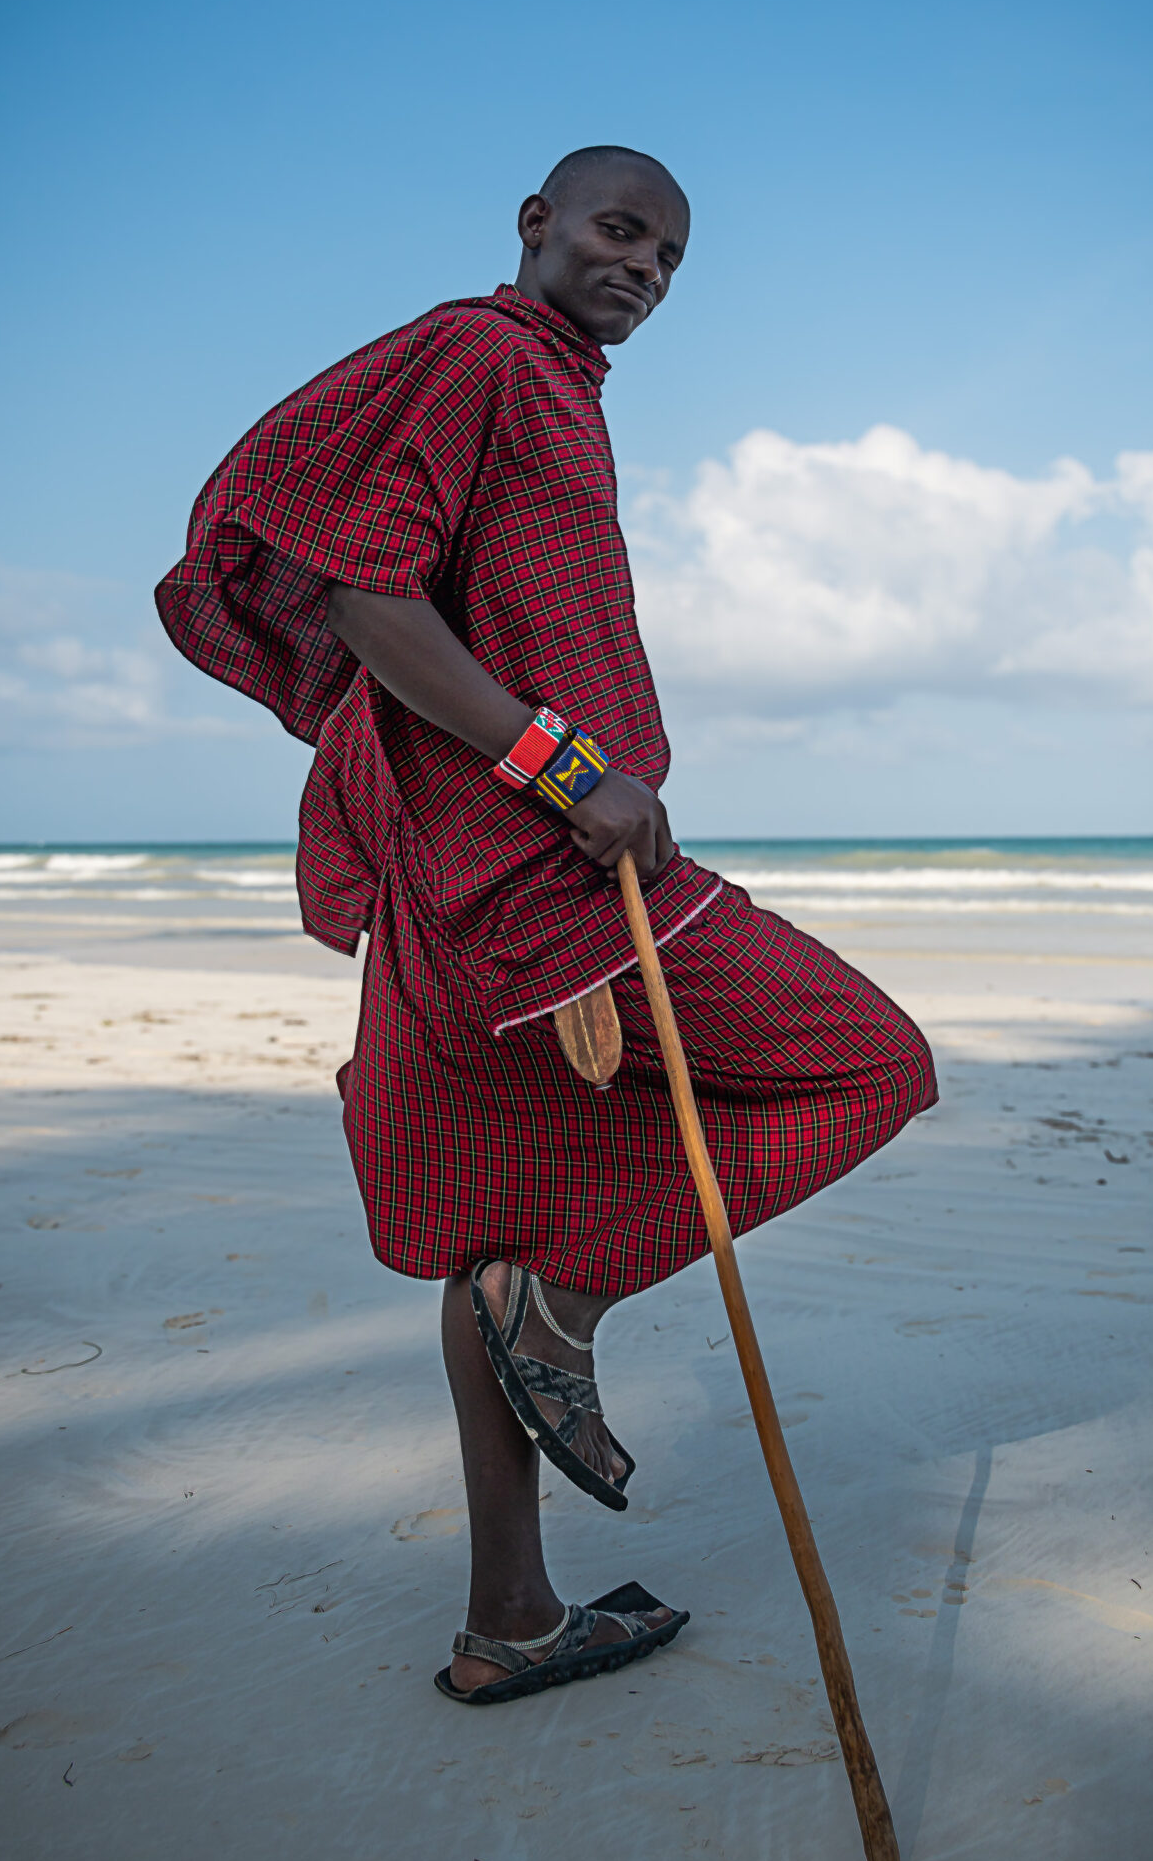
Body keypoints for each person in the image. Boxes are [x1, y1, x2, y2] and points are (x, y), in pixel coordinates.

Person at [157, 147, 937, 1704]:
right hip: (537, 888)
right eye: (620, 229)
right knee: (877, 1065)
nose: (643, 264)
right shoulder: (482, 352)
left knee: (494, 1238)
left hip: (460, 891)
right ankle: (568, 1297)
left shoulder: (557, 389)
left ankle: (510, 1619)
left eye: (670, 256)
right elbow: (364, 594)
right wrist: (571, 768)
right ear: (539, 223)